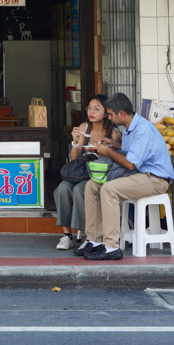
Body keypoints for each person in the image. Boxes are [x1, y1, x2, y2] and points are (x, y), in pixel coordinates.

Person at [75, 93, 174, 260]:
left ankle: (111, 246)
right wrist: (115, 145)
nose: (109, 118)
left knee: (109, 189)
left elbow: (130, 164)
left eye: (111, 114)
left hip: (155, 179)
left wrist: (108, 151)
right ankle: (95, 240)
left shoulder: (142, 130)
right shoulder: (129, 128)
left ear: (121, 113)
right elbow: (132, 153)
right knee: (92, 186)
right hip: (139, 174)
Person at [53, 94, 121, 250]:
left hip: (99, 175)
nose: (92, 111)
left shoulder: (114, 134)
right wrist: (76, 142)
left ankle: (88, 236)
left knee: (79, 190)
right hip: (81, 170)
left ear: (106, 113)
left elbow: (117, 160)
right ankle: (67, 235)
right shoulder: (84, 128)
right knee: (62, 188)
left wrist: (102, 151)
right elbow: (75, 158)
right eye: (89, 108)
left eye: (97, 109)